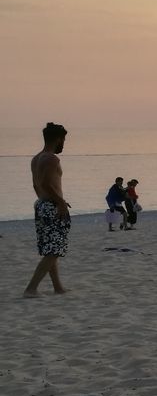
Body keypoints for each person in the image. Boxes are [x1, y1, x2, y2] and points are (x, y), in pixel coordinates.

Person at [25, 123, 71, 297]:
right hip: (51, 206)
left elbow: (36, 185)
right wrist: (60, 202)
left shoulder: (36, 158)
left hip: (41, 204)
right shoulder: (52, 158)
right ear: (58, 139)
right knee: (54, 251)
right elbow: (45, 183)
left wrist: (44, 200)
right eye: (64, 139)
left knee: (51, 248)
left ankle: (58, 287)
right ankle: (31, 289)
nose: (64, 144)